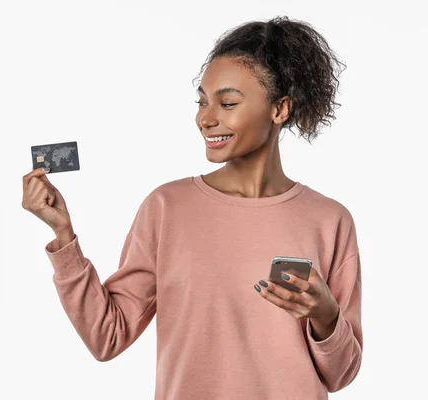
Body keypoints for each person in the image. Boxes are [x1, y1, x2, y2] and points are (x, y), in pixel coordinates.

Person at [22, 15, 362, 400]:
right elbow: (107, 337)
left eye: (227, 102)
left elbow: (341, 375)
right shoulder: (167, 208)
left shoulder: (329, 219)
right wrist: (63, 237)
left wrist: (325, 314)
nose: (206, 118)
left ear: (280, 109)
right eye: (202, 101)